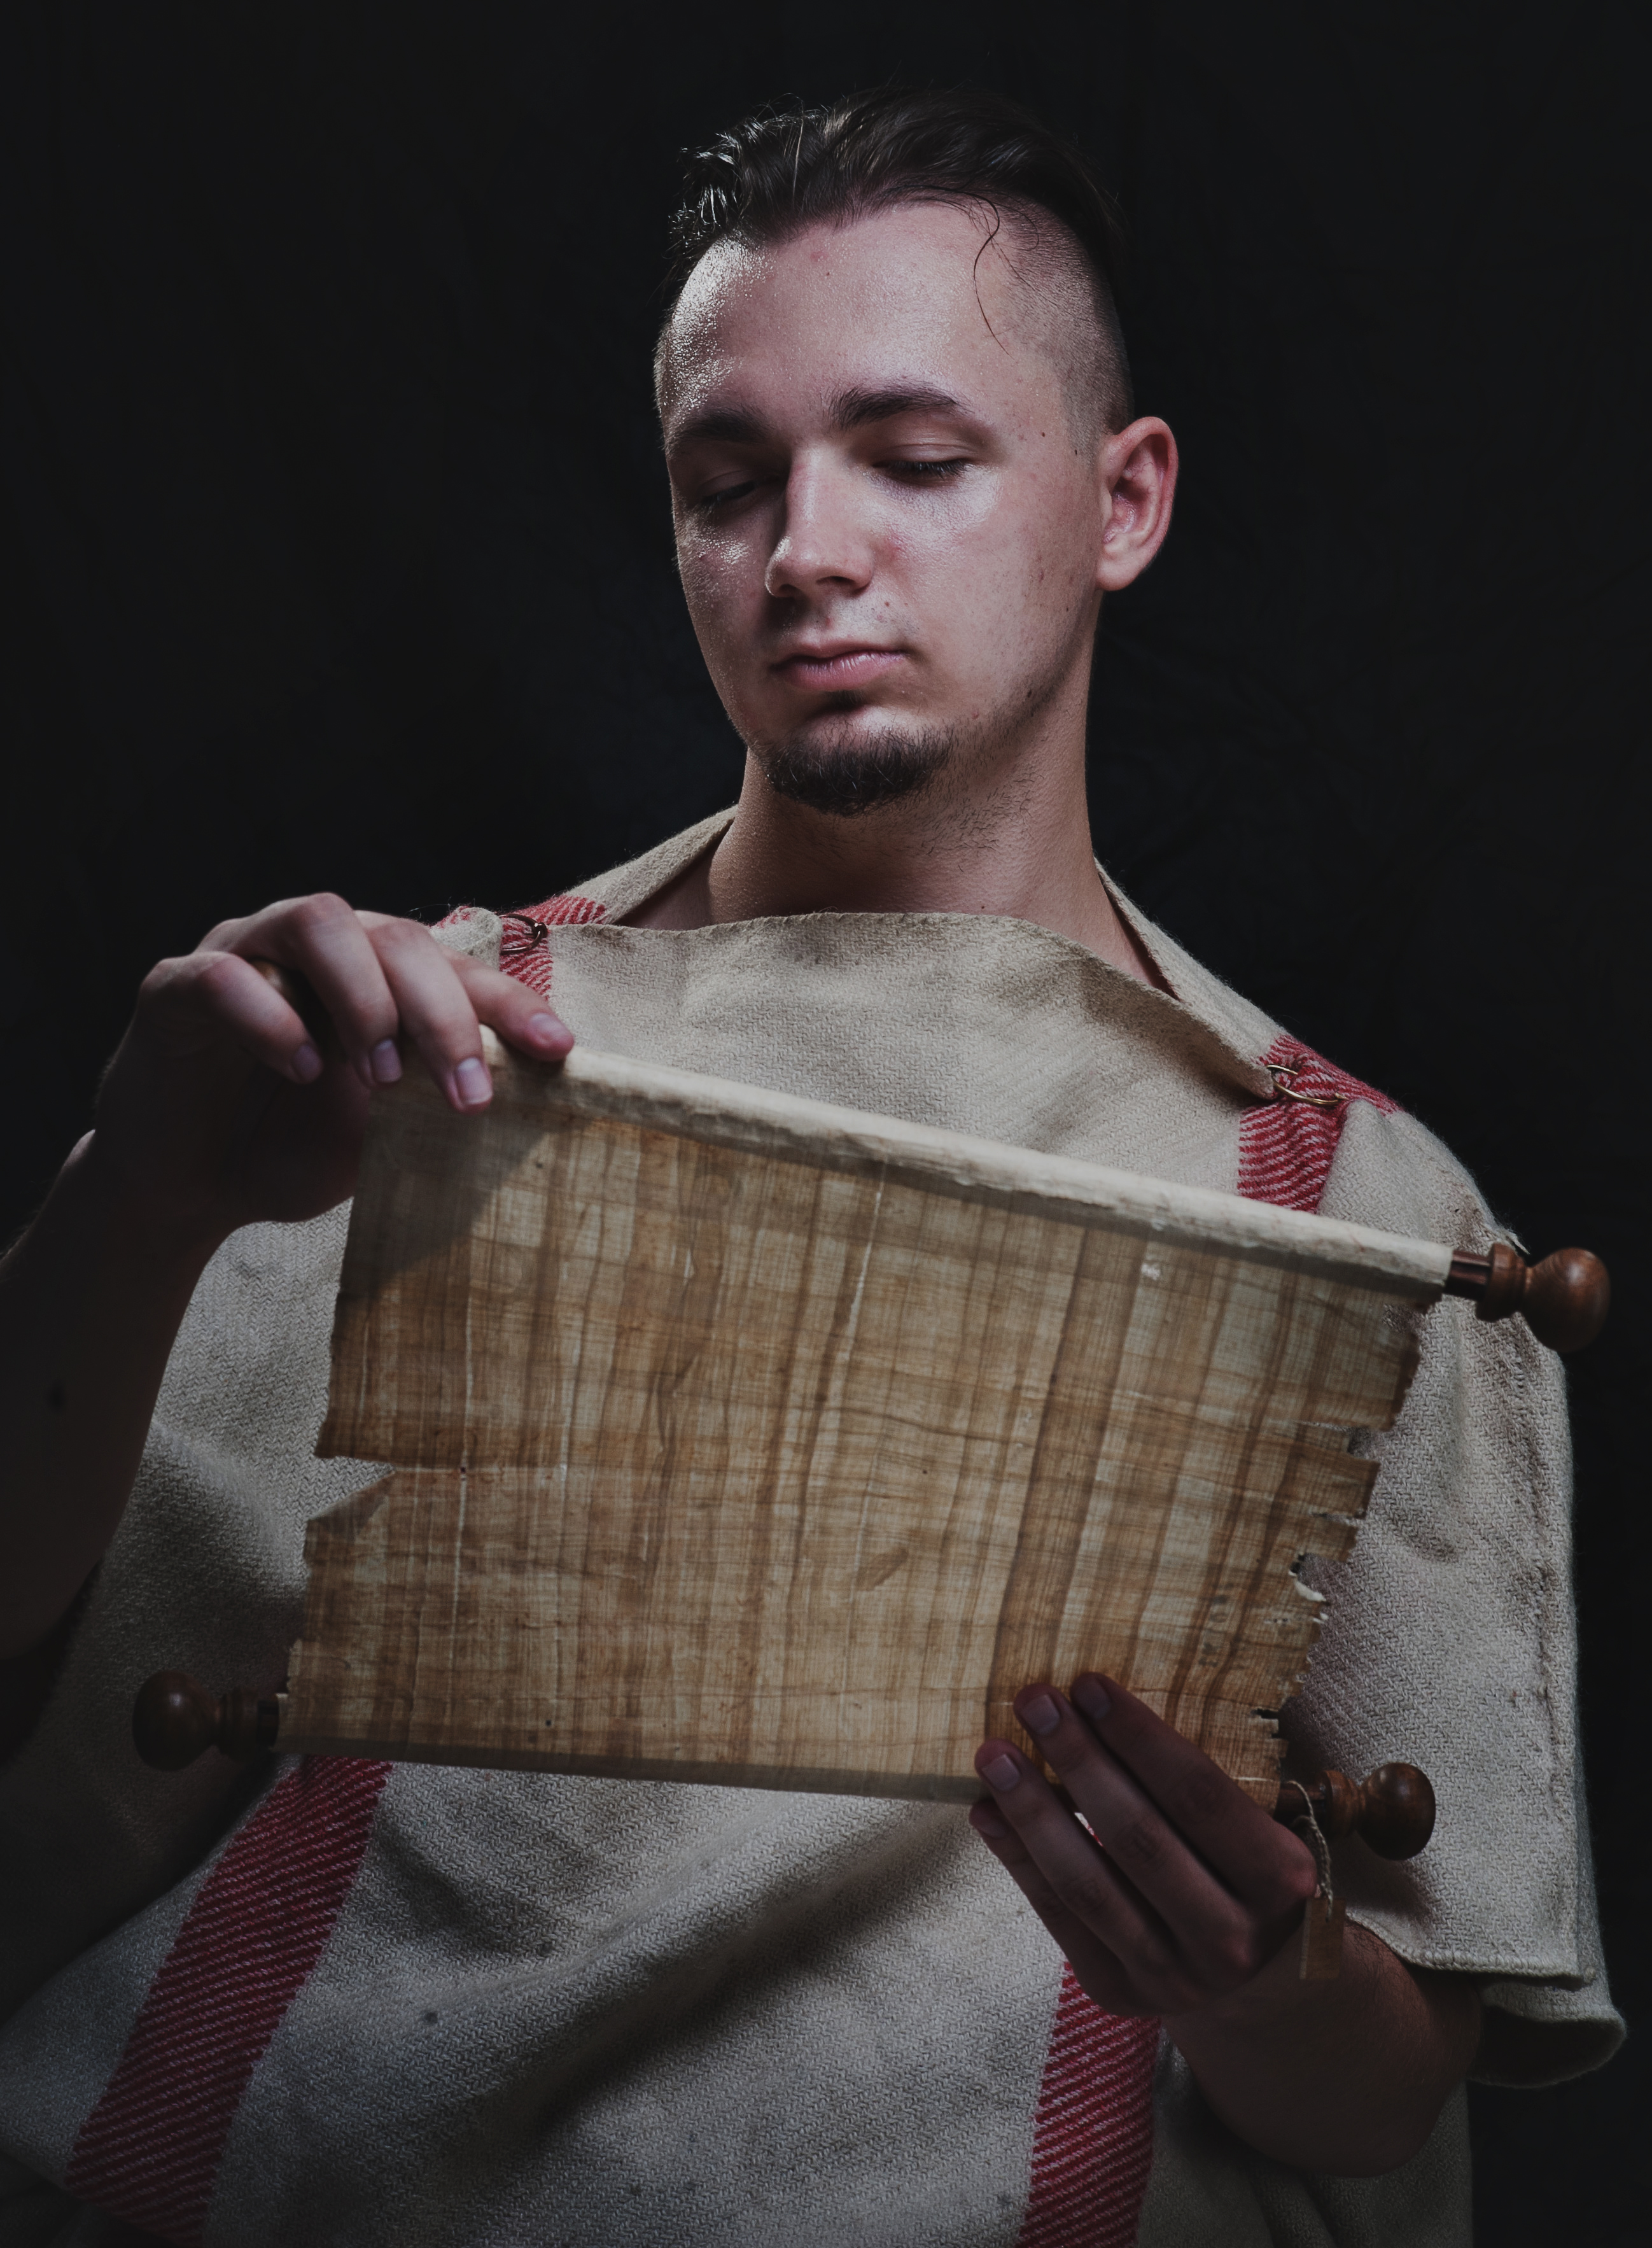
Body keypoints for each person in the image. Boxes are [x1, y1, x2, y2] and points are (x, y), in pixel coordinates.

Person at [0, 88, 1620, 2248]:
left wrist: (1256, 1980)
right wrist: (135, 1194)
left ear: (1124, 498)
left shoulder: (1361, 1210)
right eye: (725, 481)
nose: (804, 552)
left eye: (916, 459)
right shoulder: (424, 1041)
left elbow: (1392, 2072)